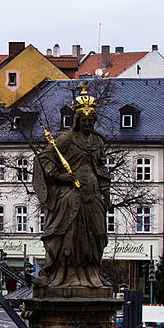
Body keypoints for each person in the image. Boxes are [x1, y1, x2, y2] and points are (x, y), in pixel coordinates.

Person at [33, 84, 111, 289]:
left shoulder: (97, 141)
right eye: (83, 121)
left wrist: (107, 194)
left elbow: (101, 169)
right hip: (71, 192)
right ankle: (67, 275)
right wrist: (60, 176)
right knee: (70, 235)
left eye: (90, 121)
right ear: (77, 120)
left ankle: (92, 272)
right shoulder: (66, 139)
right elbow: (45, 158)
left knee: (99, 233)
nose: (87, 124)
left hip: (93, 193)